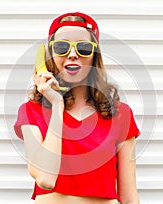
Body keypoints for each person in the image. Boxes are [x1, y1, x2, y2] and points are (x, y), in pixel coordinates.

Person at [14, 12, 140, 204]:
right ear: (50, 55)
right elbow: (45, 178)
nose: (72, 54)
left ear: (95, 55)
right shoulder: (31, 111)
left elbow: (129, 196)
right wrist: (56, 104)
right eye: (62, 47)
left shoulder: (121, 114)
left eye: (83, 47)